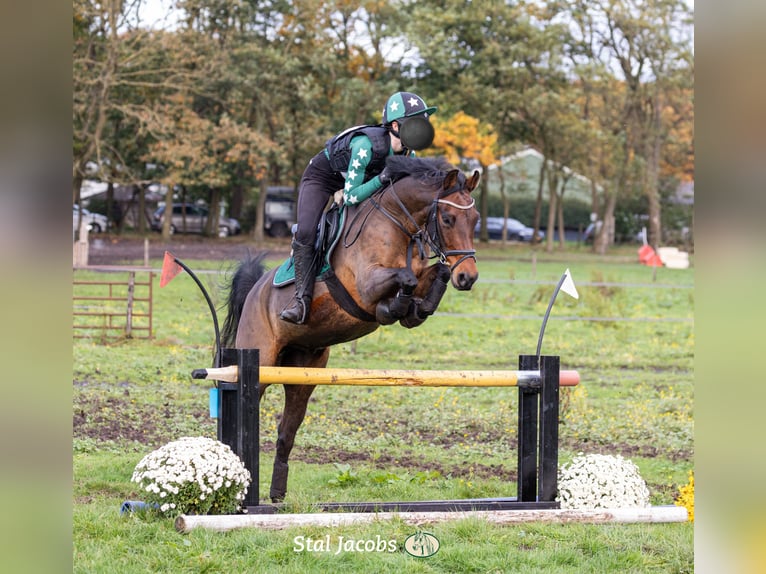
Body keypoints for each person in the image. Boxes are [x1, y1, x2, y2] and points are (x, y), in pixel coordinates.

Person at [279, 91, 438, 324]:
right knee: (306, 231)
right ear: (395, 125)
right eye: (416, 122)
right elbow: (352, 196)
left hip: (359, 181)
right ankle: (301, 300)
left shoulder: (408, 153)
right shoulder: (366, 145)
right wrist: (382, 179)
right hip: (323, 178)